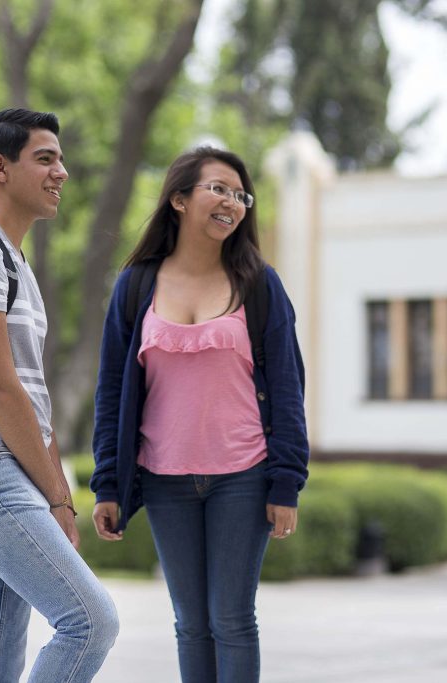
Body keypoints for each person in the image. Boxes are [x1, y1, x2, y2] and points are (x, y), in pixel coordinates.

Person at [90, 146, 310, 682]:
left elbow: (287, 388)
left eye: (240, 195)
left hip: (245, 475)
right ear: (179, 199)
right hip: (163, 479)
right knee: (190, 623)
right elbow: (113, 388)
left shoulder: (260, 284)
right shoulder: (136, 286)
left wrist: (286, 484)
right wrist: (108, 484)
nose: (231, 202)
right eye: (218, 188)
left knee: (231, 619)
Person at [0, 108, 118, 683]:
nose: (62, 171)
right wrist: (58, 498)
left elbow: (31, 397)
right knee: (90, 622)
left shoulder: (11, 259)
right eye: (46, 158)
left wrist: (54, 490)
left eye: (61, 158)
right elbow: (0, 389)